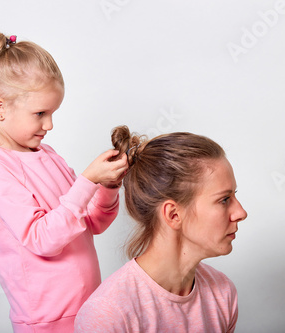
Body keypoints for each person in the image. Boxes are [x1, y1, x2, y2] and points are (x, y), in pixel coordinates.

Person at [0, 27, 128, 332]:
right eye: (40, 113)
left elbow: (92, 222)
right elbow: (41, 239)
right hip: (47, 320)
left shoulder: (49, 155)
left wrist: (107, 186)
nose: (50, 124)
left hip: (88, 307)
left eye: (53, 112)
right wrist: (87, 181)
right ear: (0, 109)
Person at [74, 125, 248, 333]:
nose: (240, 212)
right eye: (224, 199)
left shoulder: (222, 293)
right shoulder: (108, 315)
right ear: (173, 215)